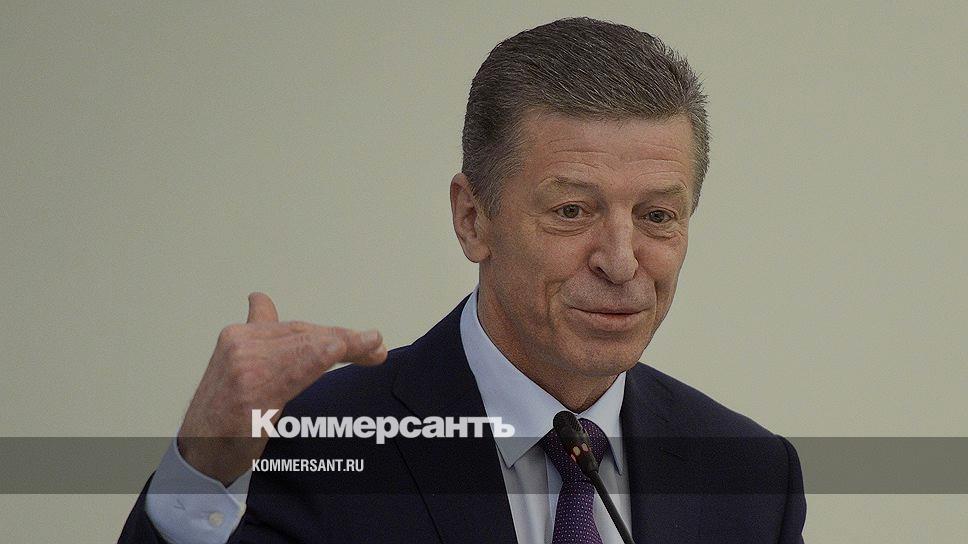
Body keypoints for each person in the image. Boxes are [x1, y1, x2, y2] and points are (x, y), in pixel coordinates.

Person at [120, 17, 806, 543]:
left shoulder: (751, 477)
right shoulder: (318, 440)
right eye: (572, 211)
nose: (621, 261)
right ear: (473, 219)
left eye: (657, 216)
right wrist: (201, 471)